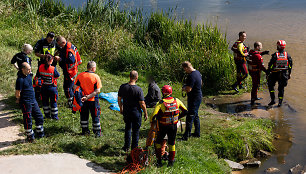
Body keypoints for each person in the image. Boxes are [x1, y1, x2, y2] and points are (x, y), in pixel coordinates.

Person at [151, 85, 187, 167]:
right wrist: (178, 117)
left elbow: (153, 116)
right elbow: (185, 111)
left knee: (158, 142)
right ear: (170, 92)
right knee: (172, 143)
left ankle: (159, 161)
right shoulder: (176, 100)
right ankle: (171, 162)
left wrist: (154, 121)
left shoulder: (161, 103)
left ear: (163, 92)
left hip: (163, 126)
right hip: (173, 126)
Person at [118, 70, 148, 151]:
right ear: (137, 78)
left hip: (126, 111)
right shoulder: (138, 89)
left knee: (127, 128)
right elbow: (142, 103)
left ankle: (126, 147)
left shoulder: (123, 87)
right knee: (136, 131)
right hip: (136, 113)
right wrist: (145, 113)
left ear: (129, 77)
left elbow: (119, 99)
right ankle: (134, 149)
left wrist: (121, 108)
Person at [15, 62, 44, 142]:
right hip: (26, 102)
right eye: (28, 69)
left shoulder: (29, 75)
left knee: (39, 116)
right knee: (28, 119)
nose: (30, 70)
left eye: (30, 69)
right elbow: (17, 94)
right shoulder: (20, 80)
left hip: (33, 100)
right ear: (22, 69)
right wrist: (21, 99)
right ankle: (30, 137)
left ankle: (40, 133)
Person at [73, 61, 102, 137]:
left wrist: (81, 96)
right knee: (95, 115)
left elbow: (75, 87)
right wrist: (88, 97)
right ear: (93, 68)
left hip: (83, 100)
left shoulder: (80, 75)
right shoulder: (96, 77)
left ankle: (85, 131)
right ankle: (97, 133)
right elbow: (97, 91)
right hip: (93, 100)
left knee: (84, 115)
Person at [56, 36, 82, 108]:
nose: (59, 46)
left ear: (63, 42)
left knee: (67, 88)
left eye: (60, 45)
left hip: (70, 72)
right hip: (71, 70)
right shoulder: (68, 44)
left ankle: (71, 103)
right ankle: (76, 99)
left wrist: (60, 59)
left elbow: (71, 60)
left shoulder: (69, 50)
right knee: (71, 86)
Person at [267, 40, 293, 107]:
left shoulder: (275, 55)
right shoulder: (287, 55)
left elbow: (270, 65)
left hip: (274, 73)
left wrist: (268, 72)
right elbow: (290, 65)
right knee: (281, 88)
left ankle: (273, 100)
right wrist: (289, 73)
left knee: (271, 86)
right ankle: (280, 103)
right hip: (283, 74)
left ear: (278, 46)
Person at [181, 61, 202, 140]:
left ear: (186, 68)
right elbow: (201, 83)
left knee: (190, 116)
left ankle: (186, 135)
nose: (185, 71)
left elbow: (188, 89)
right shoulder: (197, 72)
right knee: (195, 115)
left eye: (184, 69)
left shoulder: (191, 76)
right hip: (198, 96)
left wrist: (184, 88)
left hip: (193, 98)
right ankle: (197, 133)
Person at [37, 55, 60, 119]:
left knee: (45, 102)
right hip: (52, 87)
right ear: (50, 61)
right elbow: (57, 76)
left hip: (43, 87)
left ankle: (47, 115)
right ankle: (54, 116)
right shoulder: (52, 68)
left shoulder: (40, 67)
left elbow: (38, 75)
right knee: (53, 102)